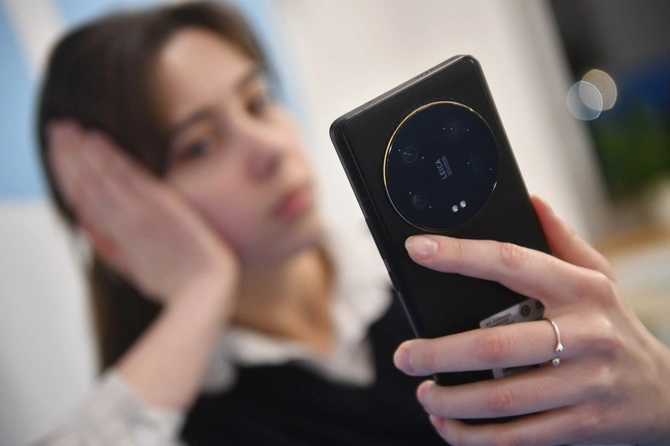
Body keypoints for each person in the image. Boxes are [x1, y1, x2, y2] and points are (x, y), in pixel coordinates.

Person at [33, 2, 670, 445]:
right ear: (118, 225)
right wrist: (201, 291)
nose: (269, 147)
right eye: (199, 145)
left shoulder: (430, 266)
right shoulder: (174, 419)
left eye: (258, 100)